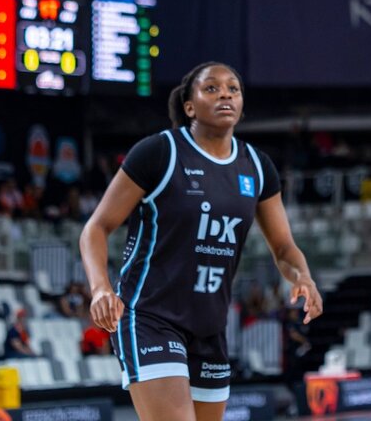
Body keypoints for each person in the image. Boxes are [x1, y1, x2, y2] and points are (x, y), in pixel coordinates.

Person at [80, 62, 323, 421]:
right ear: (189, 106)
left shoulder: (257, 166)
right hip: (149, 315)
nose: (225, 93)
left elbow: (284, 246)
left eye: (233, 88)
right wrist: (101, 288)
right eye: (212, 88)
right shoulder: (159, 152)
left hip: (209, 326)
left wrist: (302, 276)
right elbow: (96, 228)